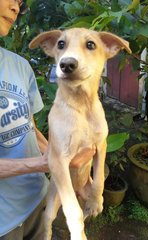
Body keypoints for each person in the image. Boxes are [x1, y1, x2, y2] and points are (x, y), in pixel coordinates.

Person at [0, 1, 95, 239]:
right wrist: (48, 164)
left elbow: (29, 129)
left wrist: (75, 168)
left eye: (20, 4)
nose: (16, 8)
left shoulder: (19, 66)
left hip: (38, 200)